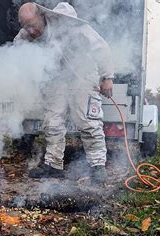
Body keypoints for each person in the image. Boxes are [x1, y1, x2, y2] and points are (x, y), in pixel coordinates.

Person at [15, 2, 114, 183]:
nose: (30, 30)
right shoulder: (25, 35)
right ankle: (53, 166)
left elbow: (101, 48)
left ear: (42, 16)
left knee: (88, 122)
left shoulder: (75, 27)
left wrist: (107, 77)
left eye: (32, 25)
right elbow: (16, 50)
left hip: (83, 76)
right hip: (56, 78)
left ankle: (98, 167)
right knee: (52, 122)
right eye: (25, 26)